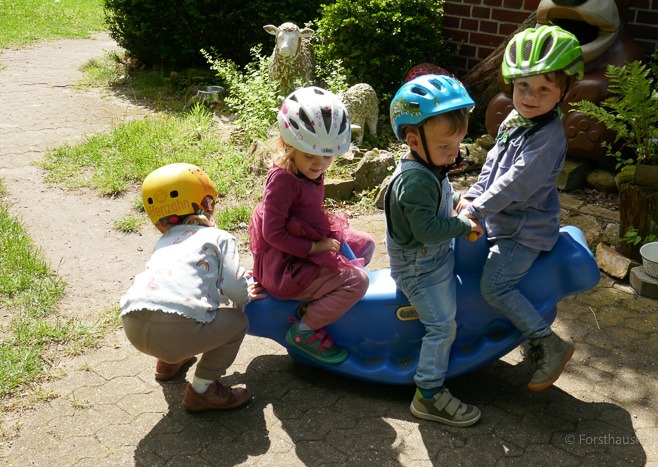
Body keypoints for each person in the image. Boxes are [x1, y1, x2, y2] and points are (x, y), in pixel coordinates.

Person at [462, 25, 584, 392]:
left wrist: (478, 209)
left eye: (544, 89)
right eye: (523, 86)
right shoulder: (514, 120)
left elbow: (516, 183)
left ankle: (549, 342)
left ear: (563, 93)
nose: (530, 96)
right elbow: (492, 167)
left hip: (524, 231)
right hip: (501, 220)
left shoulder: (548, 137)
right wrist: (471, 196)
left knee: (495, 287)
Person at [120, 163, 264, 412]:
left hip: (133, 324)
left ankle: (168, 363)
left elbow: (190, 282)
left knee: (178, 310)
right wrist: (244, 295)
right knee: (236, 322)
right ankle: (203, 390)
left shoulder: (164, 241)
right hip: (175, 332)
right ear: (207, 203)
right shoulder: (219, 237)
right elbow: (232, 284)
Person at [248, 86, 375, 365]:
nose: (319, 165)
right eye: (310, 156)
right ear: (288, 146)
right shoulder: (283, 180)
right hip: (286, 264)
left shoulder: (307, 167)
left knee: (366, 243)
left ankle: (330, 301)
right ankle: (305, 330)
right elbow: (273, 233)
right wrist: (316, 247)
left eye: (327, 157)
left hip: (307, 239)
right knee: (358, 281)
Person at [385, 74, 484, 427]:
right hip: (418, 267)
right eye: (445, 147)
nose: (453, 154)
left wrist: (458, 201)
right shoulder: (414, 180)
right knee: (442, 327)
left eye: (457, 144)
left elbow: (438, 198)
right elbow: (426, 230)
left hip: (434, 258)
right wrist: (462, 226)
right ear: (413, 140)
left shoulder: (431, 165)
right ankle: (428, 394)